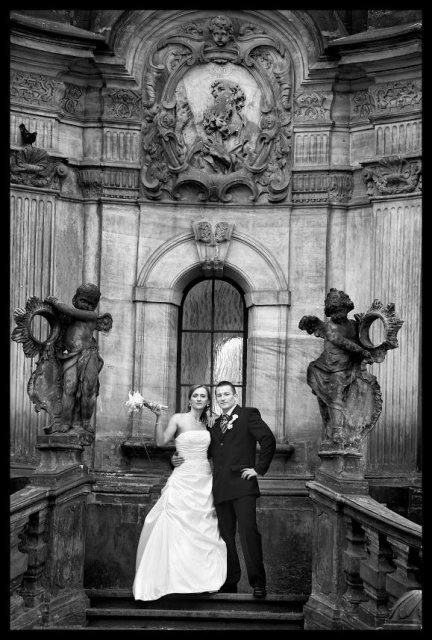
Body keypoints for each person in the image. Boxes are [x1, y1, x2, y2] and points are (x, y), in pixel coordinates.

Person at [173, 380, 276, 598]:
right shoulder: (214, 423)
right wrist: (175, 459)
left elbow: (268, 439)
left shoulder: (248, 414)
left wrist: (259, 469)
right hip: (219, 488)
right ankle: (230, 582)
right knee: (226, 538)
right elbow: (204, 452)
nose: (222, 398)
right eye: (219, 395)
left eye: (226, 394)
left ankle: (258, 583)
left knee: (248, 533)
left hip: (242, 485)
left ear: (235, 396)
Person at [133, 385, 227, 601]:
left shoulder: (210, 423)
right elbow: (161, 442)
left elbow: (217, 449)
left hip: (204, 478)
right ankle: (172, 579)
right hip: (183, 478)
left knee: (202, 528)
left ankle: (201, 580)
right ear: (189, 399)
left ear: (208, 400)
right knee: (175, 526)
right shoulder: (178, 418)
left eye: (203, 396)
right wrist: (159, 418)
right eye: (195, 395)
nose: (199, 398)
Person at [44, 283, 113, 436]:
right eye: (83, 301)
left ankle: (85, 421)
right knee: (69, 387)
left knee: (89, 389)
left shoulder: (91, 316)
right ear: (75, 299)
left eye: (91, 304)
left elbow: (69, 310)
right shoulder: (68, 318)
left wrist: (55, 302)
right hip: (71, 355)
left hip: (88, 355)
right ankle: (65, 422)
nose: (87, 306)